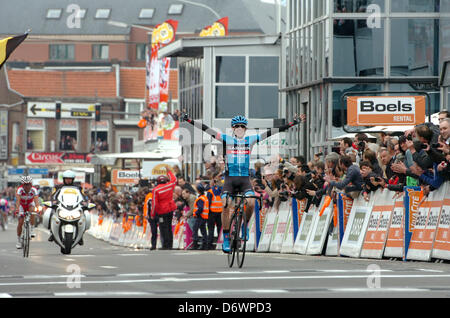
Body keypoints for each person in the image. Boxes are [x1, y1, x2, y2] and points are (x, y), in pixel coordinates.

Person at [183, 113, 305, 253]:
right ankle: (227, 237)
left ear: (245, 129)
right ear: (233, 128)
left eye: (242, 126)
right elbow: (207, 129)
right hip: (230, 180)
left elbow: (271, 132)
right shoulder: (226, 139)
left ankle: (244, 226)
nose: (240, 128)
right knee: (226, 205)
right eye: (237, 126)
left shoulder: (251, 140)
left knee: (251, 202)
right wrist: (189, 120)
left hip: (244, 180)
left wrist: (292, 123)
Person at [150, 167, 177, 250]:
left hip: (162, 211)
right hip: (170, 209)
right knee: (169, 227)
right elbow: (174, 179)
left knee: (163, 228)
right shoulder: (170, 185)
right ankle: (170, 245)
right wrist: (168, 171)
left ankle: (165, 245)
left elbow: (154, 204)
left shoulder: (155, 190)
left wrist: (152, 214)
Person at [15, 176, 40, 249]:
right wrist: (17, 209)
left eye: (28, 184)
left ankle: (32, 229)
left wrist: (38, 208)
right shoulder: (20, 190)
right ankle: (18, 240)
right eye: (25, 184)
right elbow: (18, 201)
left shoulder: (34, 190)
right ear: (22, 185)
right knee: (20, 222)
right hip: (21, 205)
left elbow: (36, 201)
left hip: (30, 204)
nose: (27, 186)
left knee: (33, 210)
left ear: (31, 184)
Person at [190, 183, 209, 250]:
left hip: (200, 217)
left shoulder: (200, 199)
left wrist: (196, 213)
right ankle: (205, 245)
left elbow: (200, 208)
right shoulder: (204, 198)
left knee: (195, 230)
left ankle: (195, 245)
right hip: (204, 217)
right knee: (203, 231)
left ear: (198, 191)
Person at [206, 172, 223, 250]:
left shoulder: (210, 191)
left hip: (212, 212)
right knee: (219, 229)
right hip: (220, 212)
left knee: (211, 229)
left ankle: (209, 244)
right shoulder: (222, 190)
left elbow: (208, 203)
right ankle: (220, 243)